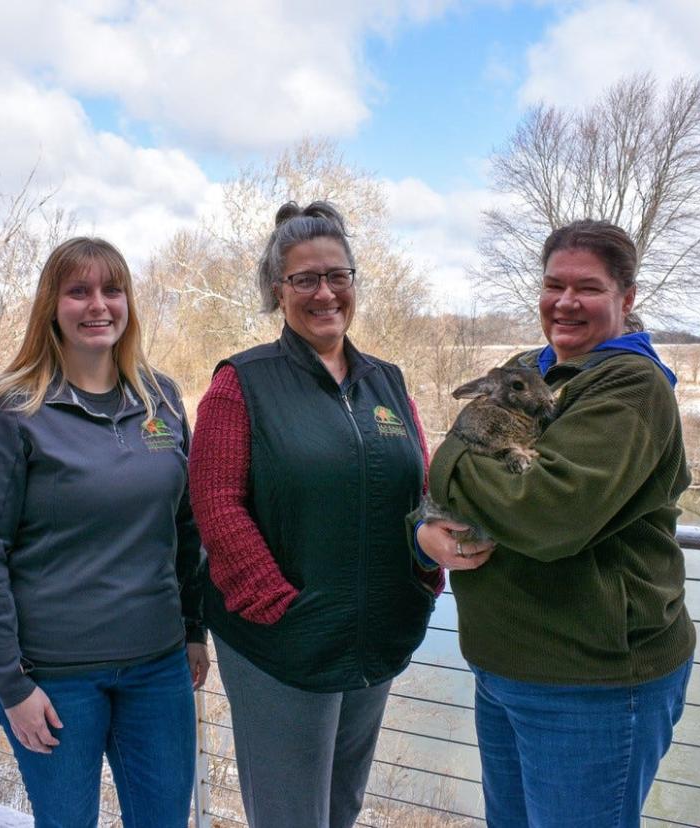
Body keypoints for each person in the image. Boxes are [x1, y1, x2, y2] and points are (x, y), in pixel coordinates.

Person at [188, 201, 463, 828]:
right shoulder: (242, 382)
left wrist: (424, 571)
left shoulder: (387, 384)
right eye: (305, 279)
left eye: (338, 275)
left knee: (342, 806)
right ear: (277, 291)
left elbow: (417, 495)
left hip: (375, 636)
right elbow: (214, 502)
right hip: (281, 640)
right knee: (290, 815)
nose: (324, 293)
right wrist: (276, 604)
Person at [417, 219, 696, 827]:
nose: (565, 302)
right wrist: (425, 528)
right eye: (553, 284)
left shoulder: (630, 383)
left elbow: (547, 514)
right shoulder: (530, 367)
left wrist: (448, 460)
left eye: (588, 288)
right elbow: (456, 488)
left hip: (589, 681)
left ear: (627, 298)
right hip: (503, 663)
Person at [0, 237, 207, 828]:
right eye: (79, 291)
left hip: (158, 665)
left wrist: (195, 627)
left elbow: (186, 525)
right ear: (52, 306)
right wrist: (10, 685)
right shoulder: (9, 411)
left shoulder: (160, 398)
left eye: (112, 290)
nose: (98, 305)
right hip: (54, 677)